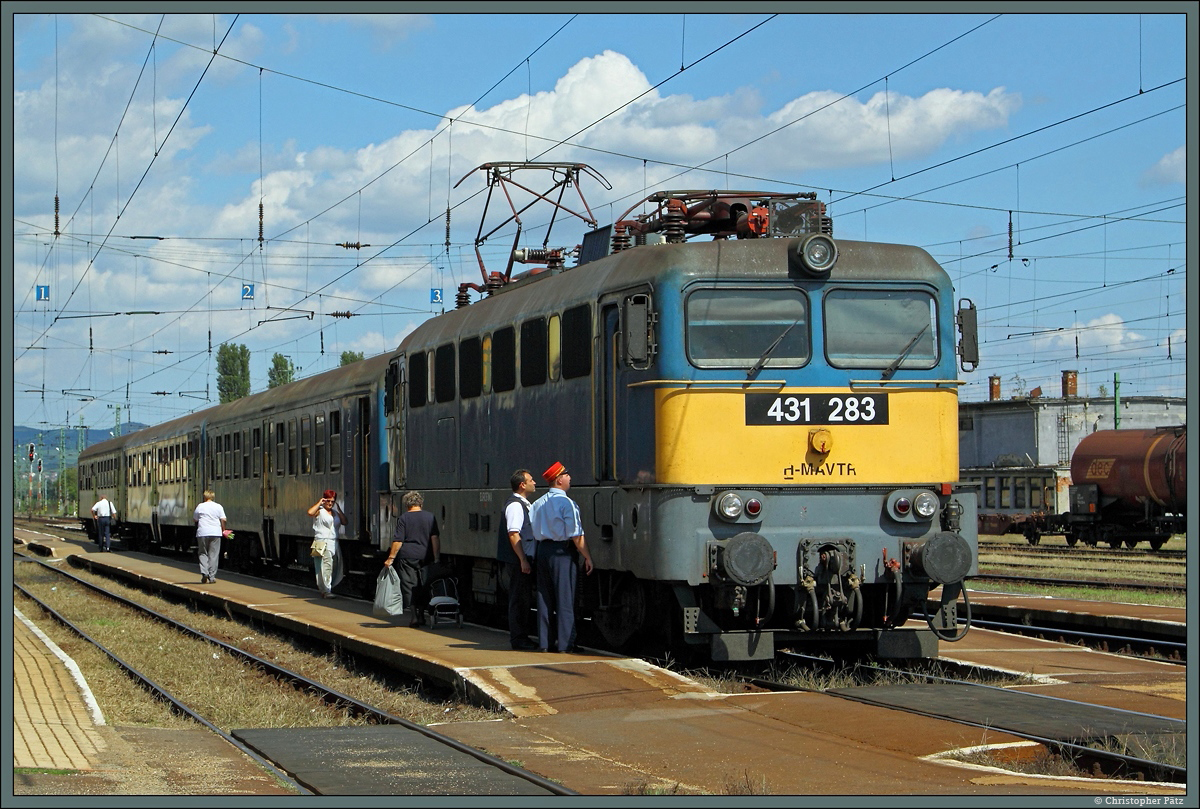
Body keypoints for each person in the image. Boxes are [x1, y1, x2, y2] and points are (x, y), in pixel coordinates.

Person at [528, 462, 594, 653]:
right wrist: (587, 557)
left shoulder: (537, 504)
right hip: (562, 552)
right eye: (566, 475)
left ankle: (545, 643)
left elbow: (532, 528)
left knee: (544, 598)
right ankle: (566, 644)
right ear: (559, 480)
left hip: (543, 551)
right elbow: (576, 535)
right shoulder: (567, 504)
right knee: (565, 598)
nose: (569, 478)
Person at [385, 491, 441, 628]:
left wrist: (391, 558)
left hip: (408, 557)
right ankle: (422, 615)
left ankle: (414, 617)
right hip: (426, 556)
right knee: (423, 585)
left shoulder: (403, 518)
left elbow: (398, 540)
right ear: (421, 503)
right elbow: (434, 538)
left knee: (409, 586)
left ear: (406, 504)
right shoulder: (430, 517)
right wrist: (436, 557)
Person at [498, 469, 539, 650]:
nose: (534, 483)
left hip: (520, 559)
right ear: (522, 485)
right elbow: (514, 533)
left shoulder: (521, 504)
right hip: (518, 560)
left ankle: (522, 637)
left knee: (522, 598)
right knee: (519, 599)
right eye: (531, 480)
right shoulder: (515, 506)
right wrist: (523, 559)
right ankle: (519, 638)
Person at [307, 489, 345, 598]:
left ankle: (325, 588)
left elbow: (344, 522)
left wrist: (339, 510)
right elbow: (310, 512)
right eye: (328, 501)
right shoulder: (320, 511)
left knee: (334, 566)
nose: (330, 503)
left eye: (332, 501)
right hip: (322, 542)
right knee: (326, 566)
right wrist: (319, 502)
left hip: (334, 542)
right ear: (324, 500)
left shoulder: (335, 513)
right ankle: (326, 591)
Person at [193, 490, 227, 584]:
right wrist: (223, 529)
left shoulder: (200, 506)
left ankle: (204, 572)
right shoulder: (218, 506)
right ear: (213, 497)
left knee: (203, 553)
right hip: (216, 533)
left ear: (204, 497)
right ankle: (212, 577)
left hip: (202, 533)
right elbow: (223, 519)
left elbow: (195, 519)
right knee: (214, 555)